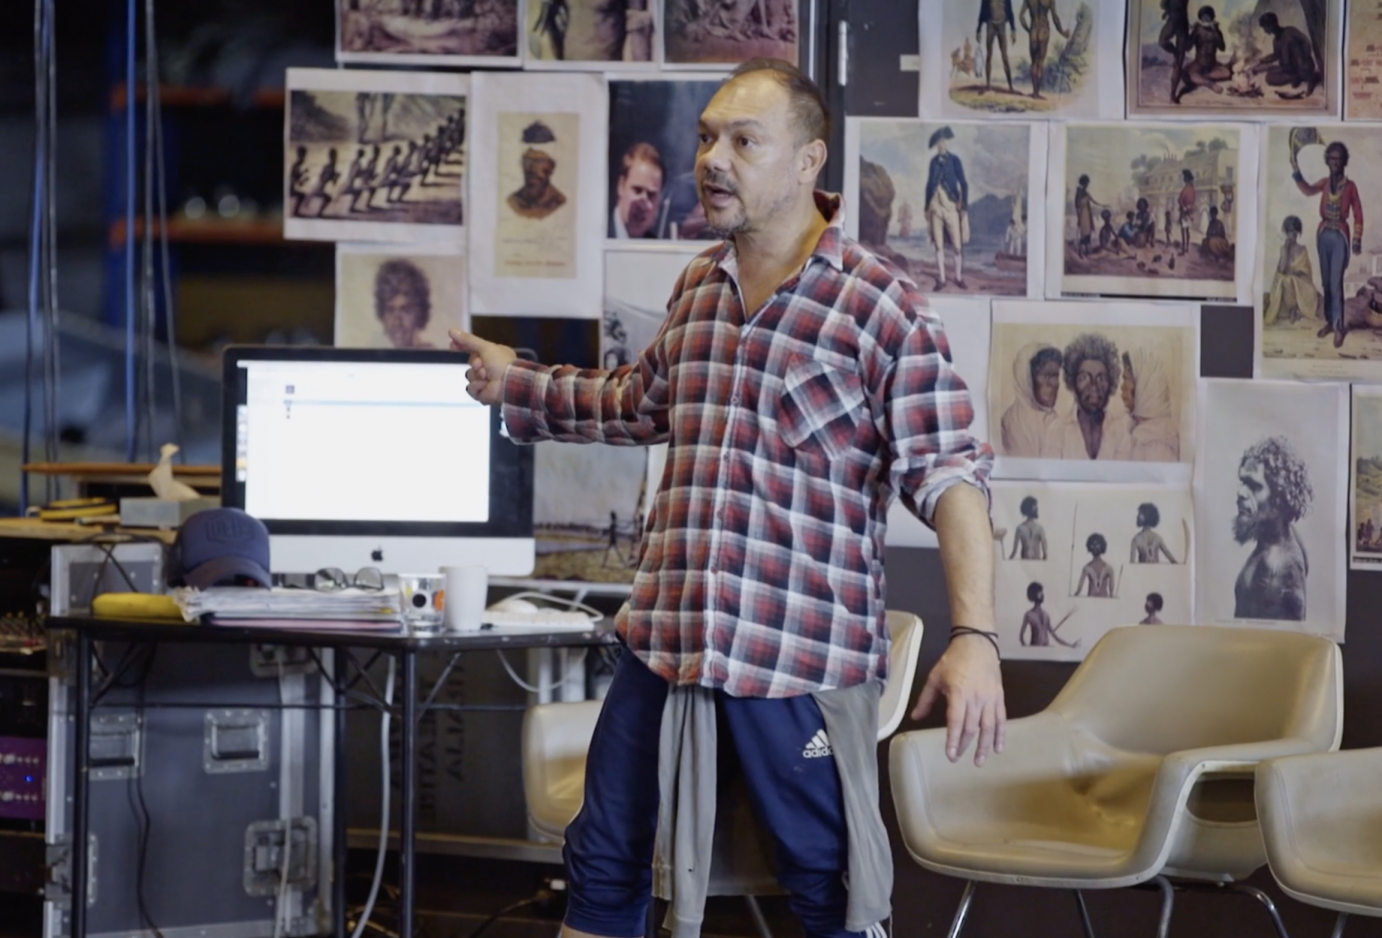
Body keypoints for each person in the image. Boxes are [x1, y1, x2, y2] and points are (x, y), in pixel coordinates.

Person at [448, 58, 1004, 938]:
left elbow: (951, 478)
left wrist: (974, 638)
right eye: (707, 137)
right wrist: (519, 383)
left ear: (809, 162)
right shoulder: (698, 288)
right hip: (666, 644)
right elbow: (639, 404)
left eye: (744, 141)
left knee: (834, 894)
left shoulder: (881, 308)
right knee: (602, 868)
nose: (713, 158)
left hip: (799, 664)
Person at [1234, 436, 1312, 621]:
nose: (1241, 493)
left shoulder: (1276, 568)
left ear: (1280, 497)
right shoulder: (1289, 536)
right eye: (1243, 482)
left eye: (1254, 486)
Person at [1294, 142, 1363, 349]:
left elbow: (1358, 214)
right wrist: (1297, 173)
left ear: (1344, 162)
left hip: (1340, 236)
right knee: (1325, 281)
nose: (1335, 162)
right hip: (1323, 235)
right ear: (1327, 161)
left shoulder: (1350, 187)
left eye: (1339, 159)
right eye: (1332, 159)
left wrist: (1357, 239)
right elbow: (1307, 190)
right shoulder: (1324, 183)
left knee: (1336, 282)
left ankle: (1340, 326)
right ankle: (1330, 323)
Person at [1057, 333, 1131, 461]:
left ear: (1111, 383)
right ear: (1072, 382)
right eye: (1084, 378)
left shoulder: (1121, 432)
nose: (1094, 386)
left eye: (1101, 378)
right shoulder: (1057, 431)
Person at [926, 126, 969, 289]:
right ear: (936, 145)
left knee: (957, 246)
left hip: (951, 206)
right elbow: (929, 185)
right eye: (938, 143)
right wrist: (926, 207)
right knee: (939, 245)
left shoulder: (955, 160)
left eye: (943, 141)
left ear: (946, 142)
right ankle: (942, 280)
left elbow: (964, 183)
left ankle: (958, 277)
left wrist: (964, 205)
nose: (941, 145)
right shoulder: (933, 163)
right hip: (935, 207)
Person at [1000, 343, 1060, 458]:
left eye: (1055, 376)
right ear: (1027, 378)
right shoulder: (1008, 423)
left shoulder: (1060, 424)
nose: (1053, 384)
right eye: (1046, 376)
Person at [1122, 345, 1179, 462]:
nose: (1122, 387)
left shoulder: (1156, 442)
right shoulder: (1144, 433)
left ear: (1144, 387)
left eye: (1126, 379)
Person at [508, 122, 567, 220]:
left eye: (539, 161)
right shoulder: (513, 201)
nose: (533, 168)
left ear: (551, 166)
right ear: (522, 164)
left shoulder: (559, 202)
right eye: (528, 161)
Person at [1250, 12, 1319, 98]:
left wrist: (1306, 58)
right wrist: (1261, 60)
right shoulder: (1275, 41)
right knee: (1269, 78)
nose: (1264, 30)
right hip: (1290, 69)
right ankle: (1295, 77)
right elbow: (1275, 56)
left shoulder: (1290, 31)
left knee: (1293, 44)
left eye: (1265, 27)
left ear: (1272, 24)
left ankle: (1310, 79)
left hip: (1303, 64)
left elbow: (1306, 41)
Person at [374, 258, 435, 349]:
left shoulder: (433, 358)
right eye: (390, 310)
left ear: (420, 314)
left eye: (405, 310)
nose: (397, 322)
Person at [610, 142, 665, 239]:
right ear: (621, 186)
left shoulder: (656, 248)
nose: (642, 205)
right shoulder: (597, 235)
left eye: (651, 195)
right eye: (637, 190)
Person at [1018, 0, 1069, 99]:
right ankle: (1037, 93)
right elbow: (1055, 18)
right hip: (1044, 30)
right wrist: (1062, 32)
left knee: (1033, 62)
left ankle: (1034, 92)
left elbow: (1021, 16)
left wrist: (1028, 29)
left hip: (1033, 30)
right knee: (1040, 63)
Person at [1184, 5, 1232, 94]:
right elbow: (1188, 47)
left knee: (1227, 73)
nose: (1205, 19)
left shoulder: (1216, 31)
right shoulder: (1197, 30)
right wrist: (1189, 33)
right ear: (1200, 18)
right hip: (1199, 64)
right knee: (1189, 74)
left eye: (1207, 17)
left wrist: (1217, 32)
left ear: (1212, 17)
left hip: (1212, 64)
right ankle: (1210, 84)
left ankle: (1203, 77)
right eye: (1203, 17)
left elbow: (1222, 48)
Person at [976, 0, 1017, 94]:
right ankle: (988, 85)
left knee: (1005, 57)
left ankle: (1010, 86)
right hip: (990, 24)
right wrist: (978, 29)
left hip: (1001, 24)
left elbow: (1010, 11)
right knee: (989, 55)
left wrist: (1013, 29)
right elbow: (982, 10)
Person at [1019, 582, 1078, 647]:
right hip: (1035, 651)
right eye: (1040, 592)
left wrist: (1070, 645)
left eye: (1042, 592)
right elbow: (1021, 636)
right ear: (1034, 594)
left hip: (1046, 650)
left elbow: (1055, 636)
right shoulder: (1029, 615)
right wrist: (1027, 650)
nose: (1042, 594)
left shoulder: (1046, 615)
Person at [1158, 0, 1191, 104]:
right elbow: (1163, 4)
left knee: (1179, 63)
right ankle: (1175, 52)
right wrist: (1167, 11)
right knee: (1162, 41)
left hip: (1182, 24)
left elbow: (1164, 4)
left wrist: (1167, 9)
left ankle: (1173, 95)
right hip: (1173, 21)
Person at [1075, 533, 1114, 598]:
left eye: (1097, 545)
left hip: (1105, 602)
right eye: (1093, 545)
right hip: (1091, 603)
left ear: (1102, 546)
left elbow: (1111, 593)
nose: (1095, 547)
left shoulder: (1109, 569)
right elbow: (1079, 589)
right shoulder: (1086, 568)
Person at [1009, 495, 1048, 560]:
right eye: (1035, 507)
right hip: (1037, 564)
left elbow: (1014, 553)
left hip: (1025, 565)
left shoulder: (1020, 528)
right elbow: (1045, 554)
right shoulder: (1040, 528)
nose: (1037, 509)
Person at [1073, 174, 1095, 259]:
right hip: (1082, 215)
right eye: (1086, 183)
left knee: (1088, 233)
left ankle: (1086, 252)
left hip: (1087, 215)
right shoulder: (1079, 192)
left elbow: (1092, 202)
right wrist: (1079, 218)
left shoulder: (1086, 193)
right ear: (1083, 183)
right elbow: (1077, 206)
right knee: (1083, 233)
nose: (1087, 185)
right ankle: (1081, 252)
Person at [1177, 169, 1196, 255]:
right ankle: (1186, 248)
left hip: (1185, 212)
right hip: (1188, 212)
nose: (1183, 179)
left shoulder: (1187, 189)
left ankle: (1185, 248)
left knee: (1184, 230)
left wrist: (1185, 207)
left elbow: (1180, 199)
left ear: (1187, 179)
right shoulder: (1191, 189)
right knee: (1186, 230)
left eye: (1184, 178)